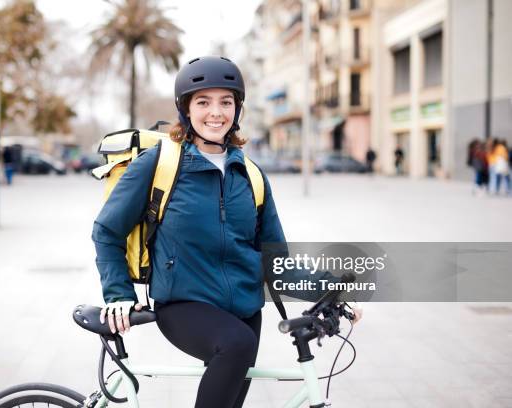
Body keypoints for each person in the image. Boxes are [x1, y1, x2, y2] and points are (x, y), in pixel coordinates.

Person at [92, 56, 362, 408]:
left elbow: (276, 261)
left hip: (246, 314)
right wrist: (118, 293)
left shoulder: (251, 176)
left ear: (237, 109)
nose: (215, 112)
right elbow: (106, 230)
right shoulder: (160, 163)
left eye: (226, 102)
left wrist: (329, 289)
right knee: (236, 345)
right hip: (184, 306)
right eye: (203, 102)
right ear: (186, 109)